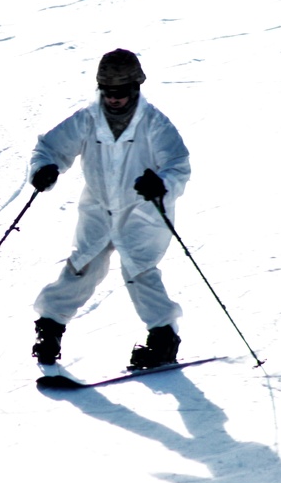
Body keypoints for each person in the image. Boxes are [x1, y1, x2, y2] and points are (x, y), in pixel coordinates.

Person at [28, 48, 192, 370]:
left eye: (120, 92)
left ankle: (163, 341)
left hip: (141, 211)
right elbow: (49, 147)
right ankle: (49, 330)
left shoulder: (154, 123)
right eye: (107, 92)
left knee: (140, 271)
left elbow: (178, 165)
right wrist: (44, 168)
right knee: (82, 266)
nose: (113, 99)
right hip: (99, 209)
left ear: (135, 88)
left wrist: (161, 184)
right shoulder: (87, 119)